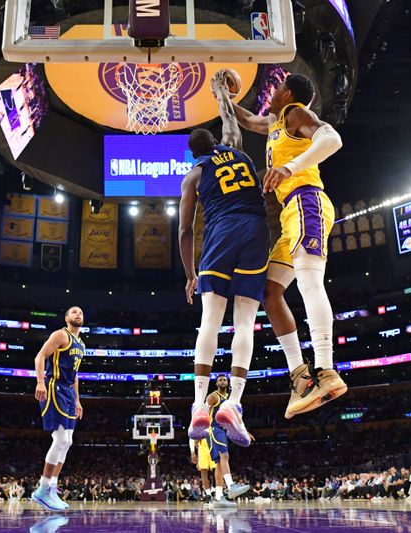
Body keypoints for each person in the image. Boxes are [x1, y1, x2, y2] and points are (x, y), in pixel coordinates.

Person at [231, 73, 347, 418]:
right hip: (290, 214)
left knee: (310, 282)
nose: (272, 92)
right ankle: (301, 377)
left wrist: (289, 167)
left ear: (290, 94)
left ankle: (325, 369)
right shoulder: (275, 123)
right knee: (270, 291)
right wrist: (220, 95)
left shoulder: (297, 113)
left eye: (277, 88)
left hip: (307, 201)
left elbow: (333, 140)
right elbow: (247, 119)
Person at [181, 71, 270, 448]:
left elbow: (185, 232)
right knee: (245, 322)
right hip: (257, 230)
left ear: (192, 153)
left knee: (210, 321)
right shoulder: (236, 147)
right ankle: (234, 401)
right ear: (215, 141)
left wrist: (189, 275)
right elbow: (230, 117)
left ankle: (200, 403)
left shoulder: (194, 175)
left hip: (221, 233)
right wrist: (219, 90)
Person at [32, 306, 85, 511]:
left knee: (68, 441)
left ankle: (52, 488)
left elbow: (75, 375)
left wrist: (78, 400)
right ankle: (43, 488)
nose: (77, 314)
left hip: (69, 393)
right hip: (54, 386)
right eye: (73, 312)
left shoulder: (81, 344)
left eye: (80, 312)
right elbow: (40, 356)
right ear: (66, 318)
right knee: (61, 439)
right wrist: (40, 382)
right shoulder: (60, 335)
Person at [201, 375, 251, 508]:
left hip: (224, 430)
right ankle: (231, 485)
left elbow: (236, 417)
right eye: (220, 380)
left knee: (218, 463)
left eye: (225, 380)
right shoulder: (213, 396)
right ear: (216, 383)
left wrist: (244, 431)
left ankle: (219, 497)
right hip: (214, 428)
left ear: (228, 383)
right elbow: (203, 411)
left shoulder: (230, 399)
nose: (223, 381)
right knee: (225, 456)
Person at [189, 433, 216, 505]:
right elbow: (192, 435)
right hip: (202, 447)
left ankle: (215, 491)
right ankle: (208, 495)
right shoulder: (197, 423)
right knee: (204, 473)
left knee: (217, 470)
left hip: (214, 445)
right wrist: (192, 452)